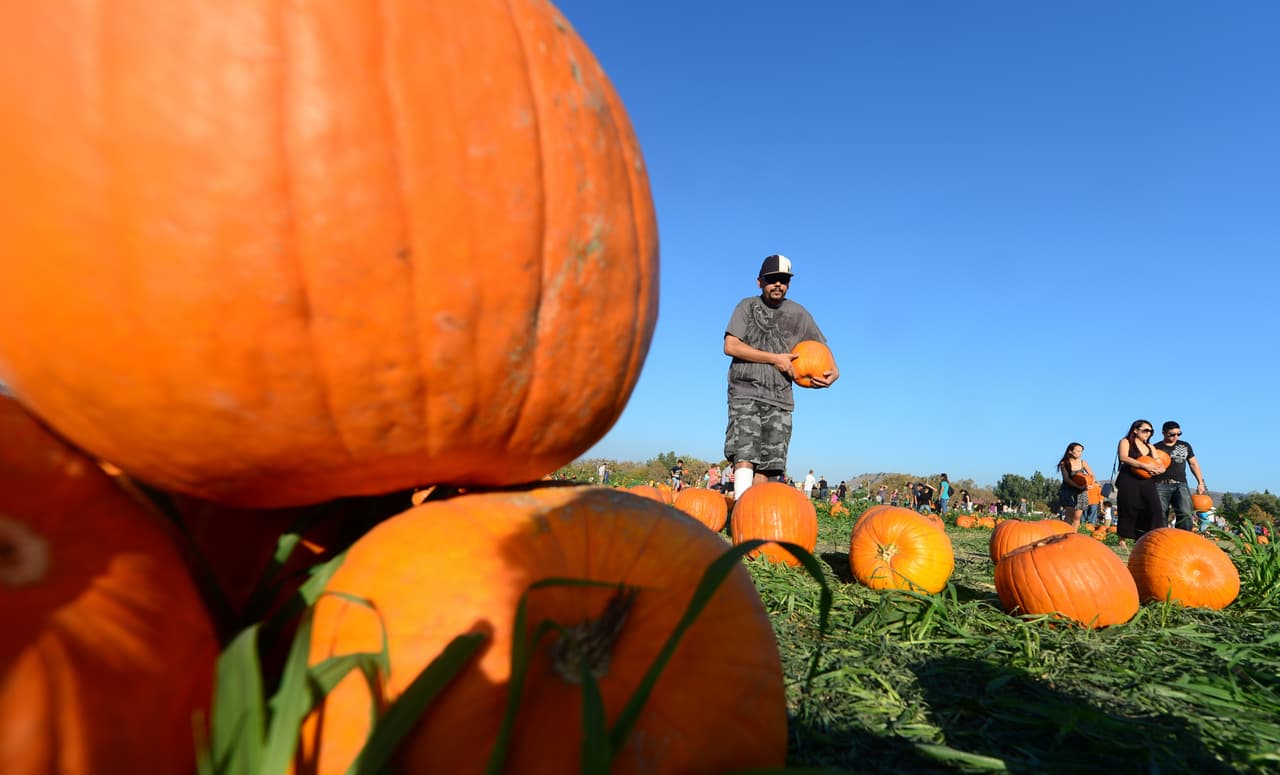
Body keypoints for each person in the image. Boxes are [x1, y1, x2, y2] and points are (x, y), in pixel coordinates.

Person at [724, 255, 838, 500]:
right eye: (772, 279)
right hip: (746, 389)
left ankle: (755, 513)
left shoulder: (799, 314)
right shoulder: (746, 307)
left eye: (783, 280)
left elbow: (822, 348)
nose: (778, 285)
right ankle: (740, 506)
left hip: (780, 397)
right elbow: (731, 346)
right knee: (745, 451)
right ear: (759, 282)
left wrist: (834, 371)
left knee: (769, 462)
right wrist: (775, 359)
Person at [1115, 419, 1167, 548]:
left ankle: (1150, 538)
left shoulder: (1150, 447)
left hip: (1147, 480)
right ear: (1135, 430)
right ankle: (1122, 539)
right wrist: (1143, 466)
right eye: (1145, 430)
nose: (1148, 433)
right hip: (1129, 479)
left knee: (1154, 507)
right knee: (1128, 507)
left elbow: (1158, 462)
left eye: (1150, 431)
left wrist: (1161, 469)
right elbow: (1124, 457)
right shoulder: (1125, 442)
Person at [1152, 420, 1208, 531]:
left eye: (1178, 434)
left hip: (1180, 484)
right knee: (1160, 514)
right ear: (1163, 433)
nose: (1175, 436)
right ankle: (1162, 539)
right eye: (1172, 434)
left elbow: (1193, 464)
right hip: (1160, 484)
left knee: (1185, 513)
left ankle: (1183, 537)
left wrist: (1200, 482)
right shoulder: (1155, 448)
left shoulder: (1185, 446)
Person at [1055, 442, 1095, 531]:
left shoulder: (1083, 463)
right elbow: (1066, 479)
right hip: (1068, 491)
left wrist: (1091, 484)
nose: (1080, 453)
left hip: (1081, 492)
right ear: (1070, 451)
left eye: (1081, 451)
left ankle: (1073, 536)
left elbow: (1092, 475)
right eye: (1078, 451)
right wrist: (1078, 487)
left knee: (1077, 517)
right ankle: (1064, 534)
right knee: (1069, 515)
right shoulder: (1064, 463)